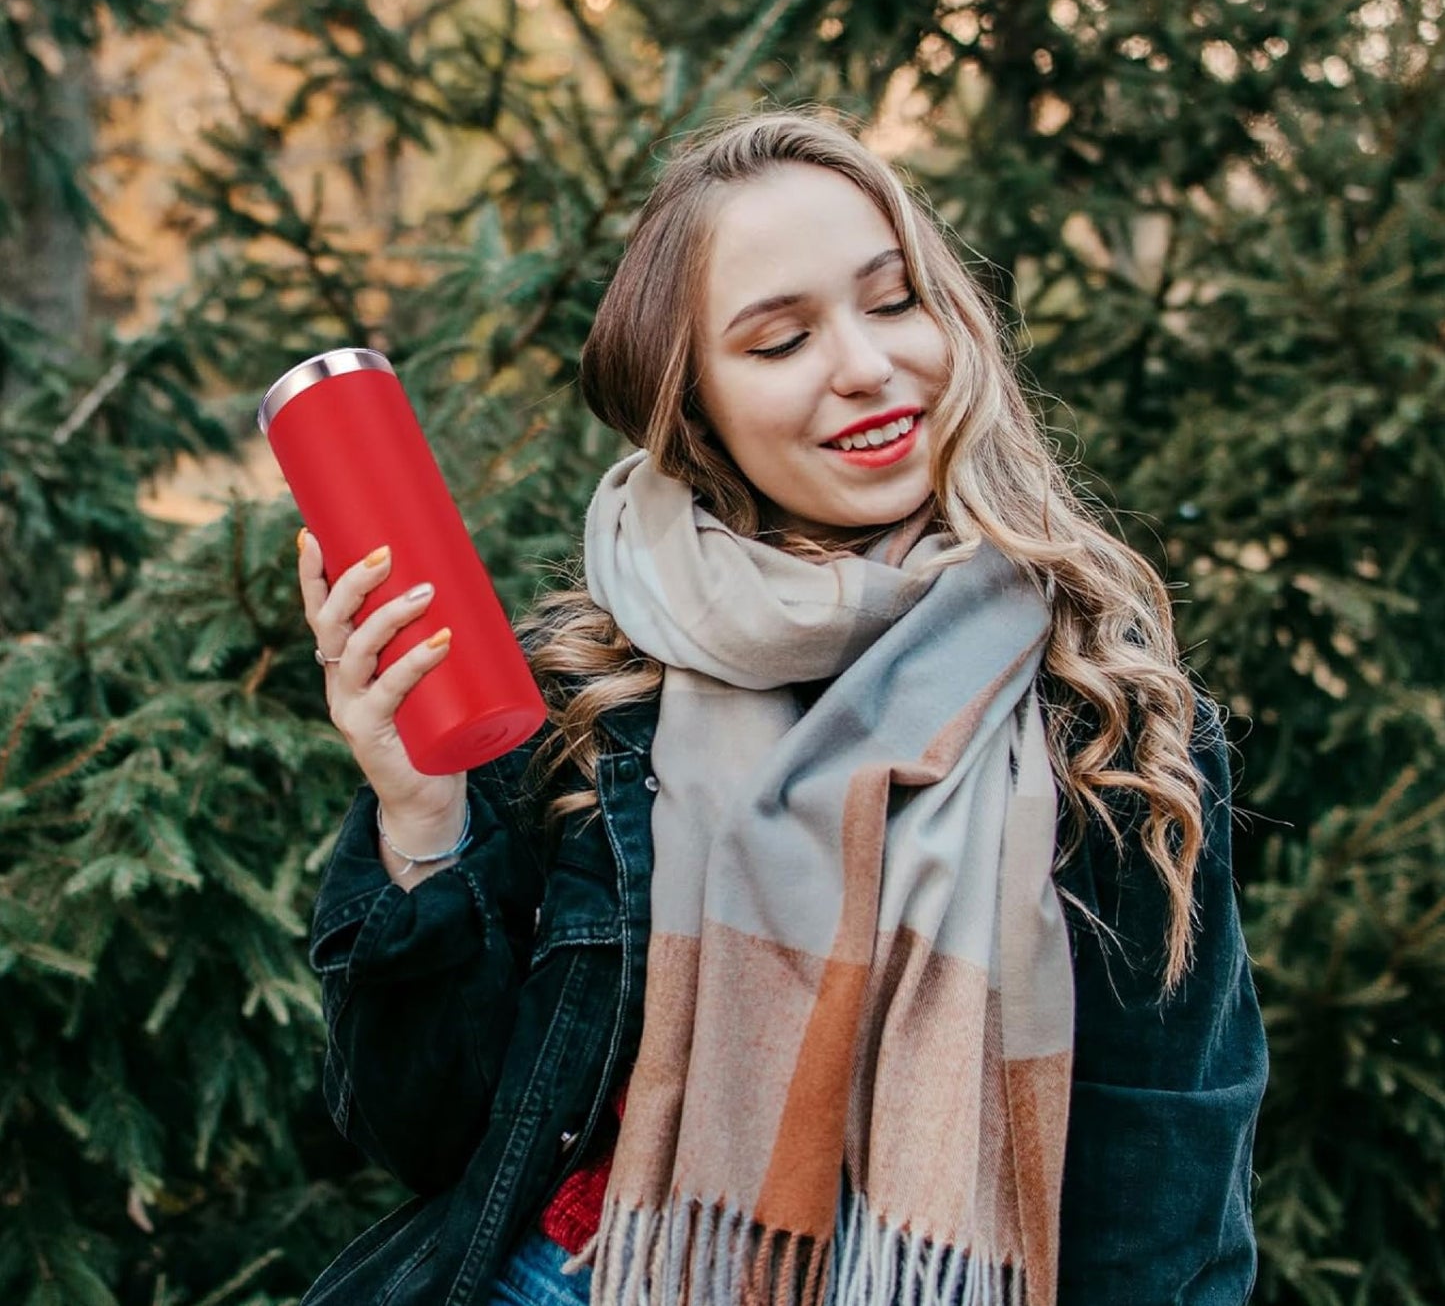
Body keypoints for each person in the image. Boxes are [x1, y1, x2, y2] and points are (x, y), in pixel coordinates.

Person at [296, 110, 1267, 1306]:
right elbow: (420, 1132)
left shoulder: (1104, 723)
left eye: (892, 298)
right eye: (779, 339)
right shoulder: (585, 698)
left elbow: (1165, 1181)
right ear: (692, 406)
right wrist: (420, 823)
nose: (862, 364)